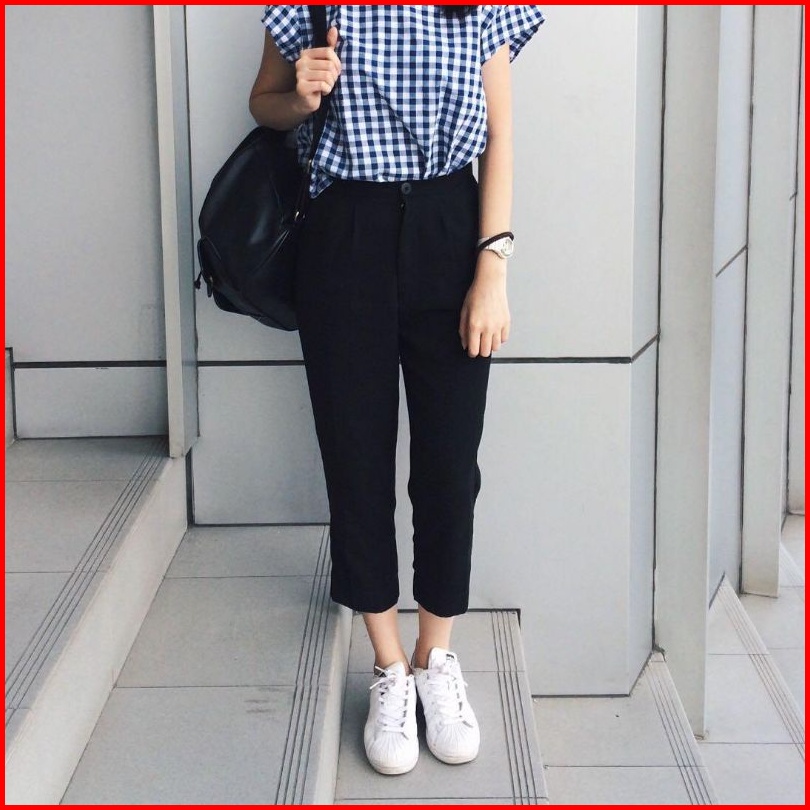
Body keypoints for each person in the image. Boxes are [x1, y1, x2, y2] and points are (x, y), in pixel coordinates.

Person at [249, 4, 544, 776]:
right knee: (355, 459)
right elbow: (265, 104)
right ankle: (387, 664)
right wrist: (301, 98)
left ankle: (434, 657)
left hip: (453, 227)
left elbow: (501, 135)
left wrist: (492, 267)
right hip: (343, 233)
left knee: (449, 465)